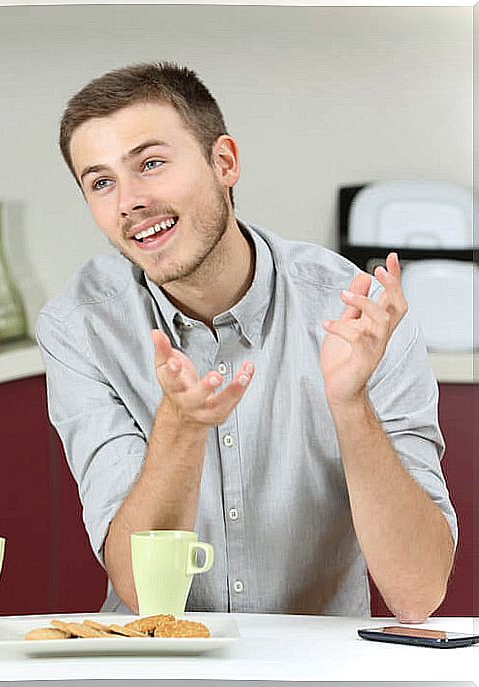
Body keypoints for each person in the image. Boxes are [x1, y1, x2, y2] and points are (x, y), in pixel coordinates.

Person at [36, 62, 457, 621]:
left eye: (152, 164)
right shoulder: (79, 327)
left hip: (319, 670)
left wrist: (350, 405)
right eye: (102, 181)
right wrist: (180, 427)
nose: (128, 201)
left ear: (224, 162)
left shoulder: (357, 313)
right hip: (157, 663)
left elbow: (419, 593)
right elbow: (142, 591)